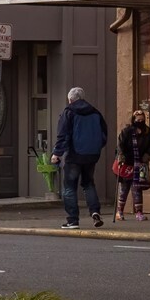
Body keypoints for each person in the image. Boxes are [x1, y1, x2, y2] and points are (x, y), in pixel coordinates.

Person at [51, 86, 109, 229]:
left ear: (70, 99)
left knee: (69, 187)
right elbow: (103, 135)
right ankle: (95, 212)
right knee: (88, 184)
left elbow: (63, 135)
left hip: (75, 155)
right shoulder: (95, 113)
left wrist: (56, 154)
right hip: (92, 155)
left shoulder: (69, 112)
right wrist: (96, 148)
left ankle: (72, 220)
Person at [113, 107, 150, 222]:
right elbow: (120, 145)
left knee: (137, 189)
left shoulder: (148, 132)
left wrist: (146, 158)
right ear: (133, 120)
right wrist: (121, 157)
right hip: (127, 163)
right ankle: (119, 211)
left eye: (142, 120)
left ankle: (139, 212)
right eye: (138, 120)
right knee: (124, 188)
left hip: (139, 163)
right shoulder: (127, 131)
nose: (140, 122)